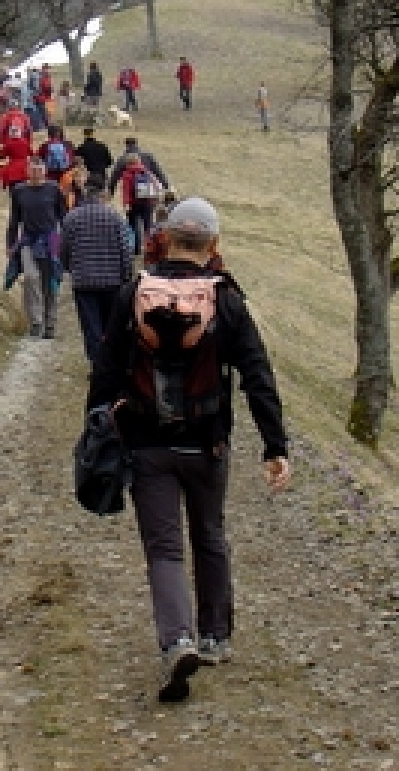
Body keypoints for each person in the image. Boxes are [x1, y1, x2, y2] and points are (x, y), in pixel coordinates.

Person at [85, 197, 292, 703]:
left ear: (163, 238)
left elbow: (106, 368)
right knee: (210, 535)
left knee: (164, 547)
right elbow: (256, 375)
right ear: (213, 246)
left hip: (147, 442)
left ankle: (176, 640)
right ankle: (215, 637)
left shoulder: (135, 292)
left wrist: (96, 429)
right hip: (208, 443)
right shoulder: (226, 298)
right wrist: (275, 445)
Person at [61, 176, 134, 362]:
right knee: (112, 325)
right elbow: (125, 250)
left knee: (91, 327)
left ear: (85, 192)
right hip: (112, 281)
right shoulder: (115, 218)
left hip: (84, 281)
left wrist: (69, 268)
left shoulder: (72, 218)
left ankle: (97, 364)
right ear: (103, 194)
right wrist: (126, 277)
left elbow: (63, 249)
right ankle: (112, 362)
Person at [7, 157, 68, 338]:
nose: (36, 174)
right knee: (31, 278)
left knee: (50, 283)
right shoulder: (19, 191)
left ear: (45, 171)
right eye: (33, 170)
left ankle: (50, 324)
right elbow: (14, 219)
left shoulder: (54, 189)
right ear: (27, 171)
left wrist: (65, 241)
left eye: (39, 170)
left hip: (51, 239)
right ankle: (35, 321)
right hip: (28, 240)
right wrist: (10, 243)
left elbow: (63, 216)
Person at [117, 152, 164, 257]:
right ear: (139, 161)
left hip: (134, 204)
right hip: (148, 203)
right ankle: (151, 249)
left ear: (128, 164)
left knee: (133, 227)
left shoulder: (127, 174)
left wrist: (126, 204)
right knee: (148, 226)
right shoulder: (147, 172)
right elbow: (156, 187)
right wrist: (155, 199)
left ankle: (136, 250)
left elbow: (126, 190)